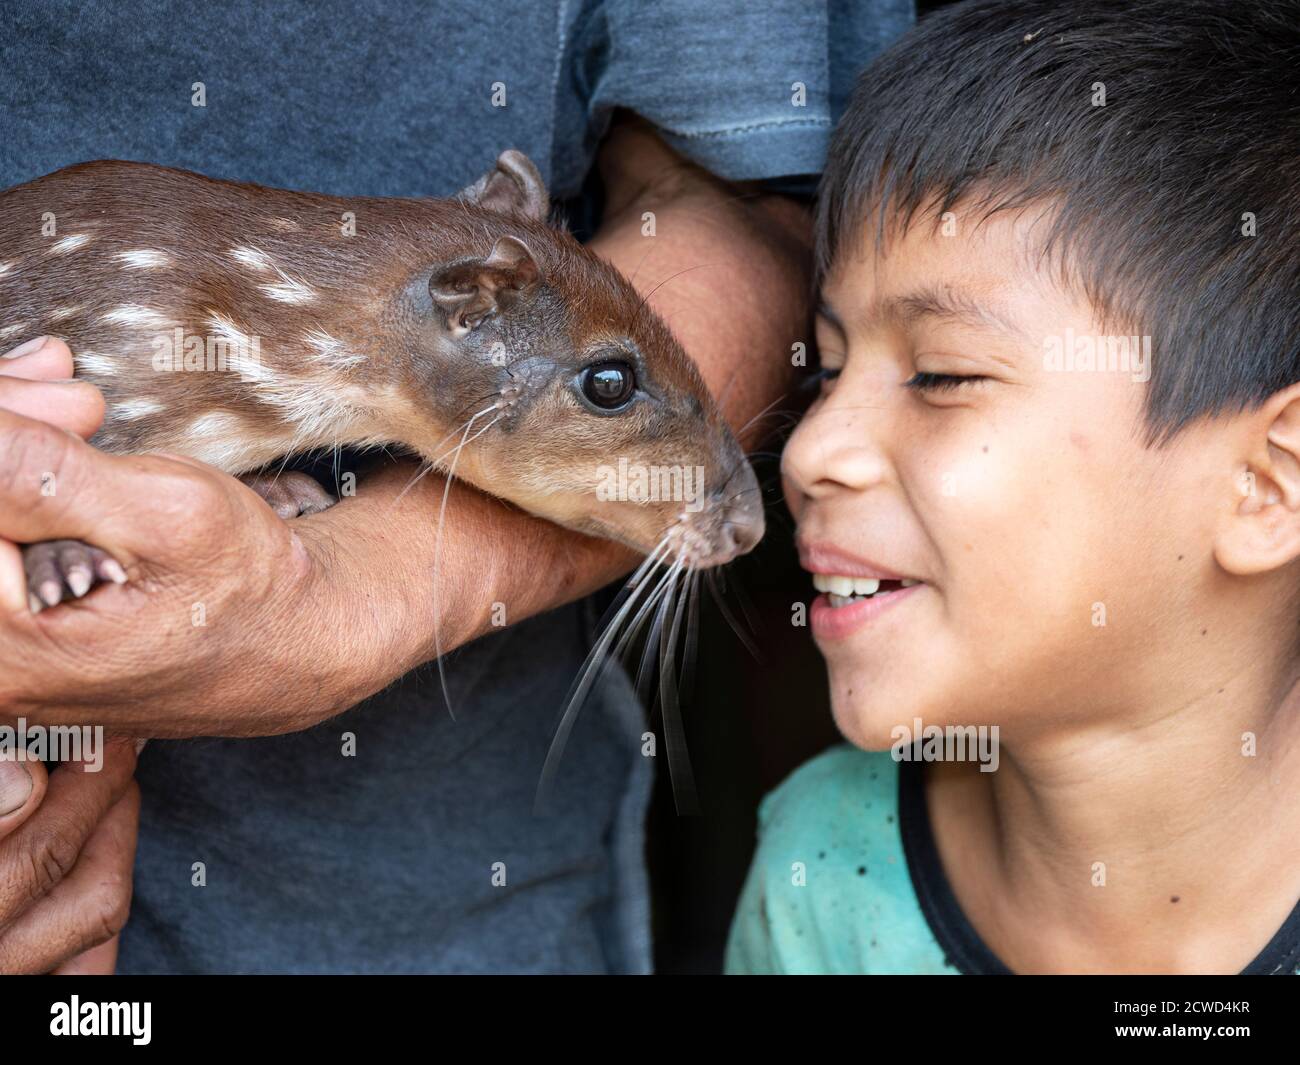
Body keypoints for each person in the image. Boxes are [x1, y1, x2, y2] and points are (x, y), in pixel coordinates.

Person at [0, 0, 912, 972]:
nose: (740, 526)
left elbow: (739, 202)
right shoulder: (143, 313)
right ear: (466, 307)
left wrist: (349, 592)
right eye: (606, 389)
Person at [727, 0, 1300, 975]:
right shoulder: (821, 871)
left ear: (1264, 485)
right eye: (825, 370)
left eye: (941, 375)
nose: (810, 450)